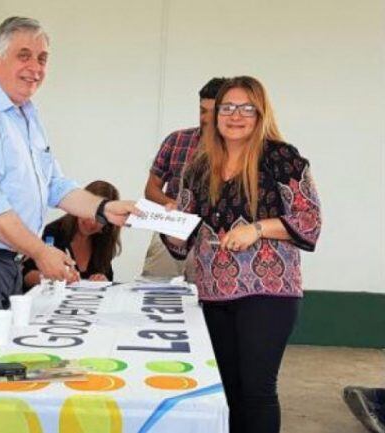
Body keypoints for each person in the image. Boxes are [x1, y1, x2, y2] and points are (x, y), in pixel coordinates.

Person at [0, 16, 141, 356]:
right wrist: (41, 252)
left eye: (42, 59)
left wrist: (103, 209)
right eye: (24, 55)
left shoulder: (27, 112)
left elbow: (54, 184)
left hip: (6, 260)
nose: (35, 67)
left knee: (4, 363)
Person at [163, 76, 322, 433]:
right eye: (227, 108)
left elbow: (309, 221)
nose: (236, 116)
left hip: (268, 294)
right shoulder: (198, 167)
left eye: (246, 108)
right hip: (213, 293)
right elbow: (180, 243)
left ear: (260, 113)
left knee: (257, 391)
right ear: (215, 114)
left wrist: (258, 228)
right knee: (227, 392)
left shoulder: (282, 158)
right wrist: (162, 219)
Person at [142, 77, 227, 278]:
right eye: (202, 110)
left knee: (204, 300)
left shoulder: (238, 150)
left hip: (212, 235)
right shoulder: (177, 140)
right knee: (155, 292)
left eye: (212, 112)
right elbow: (151, 190)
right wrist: (175, 205)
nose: (205, 118)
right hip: (170, 227)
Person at [22, 180, 122, 291]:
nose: (92, 222)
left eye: (100, 219)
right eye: (90, 212)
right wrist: (50, 277)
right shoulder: (53, 232)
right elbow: (25, 276)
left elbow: (108, 279)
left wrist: (103, 280)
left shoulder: (104, 240)